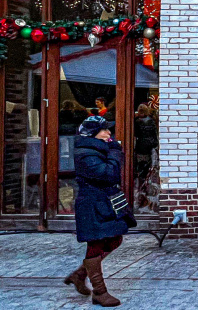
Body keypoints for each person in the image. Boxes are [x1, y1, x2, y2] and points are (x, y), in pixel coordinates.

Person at [66, 116, 131, 307]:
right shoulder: (86, 153)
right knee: (95, 244)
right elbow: (107, 173)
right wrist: (114, 153)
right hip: (92, 204)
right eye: (104, 130)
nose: (109, 133)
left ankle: (80, 274)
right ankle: (100, 292)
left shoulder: (96, 149)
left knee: (114, 239)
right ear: (94, 133)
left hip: (104, 202)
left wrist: (112, 151)